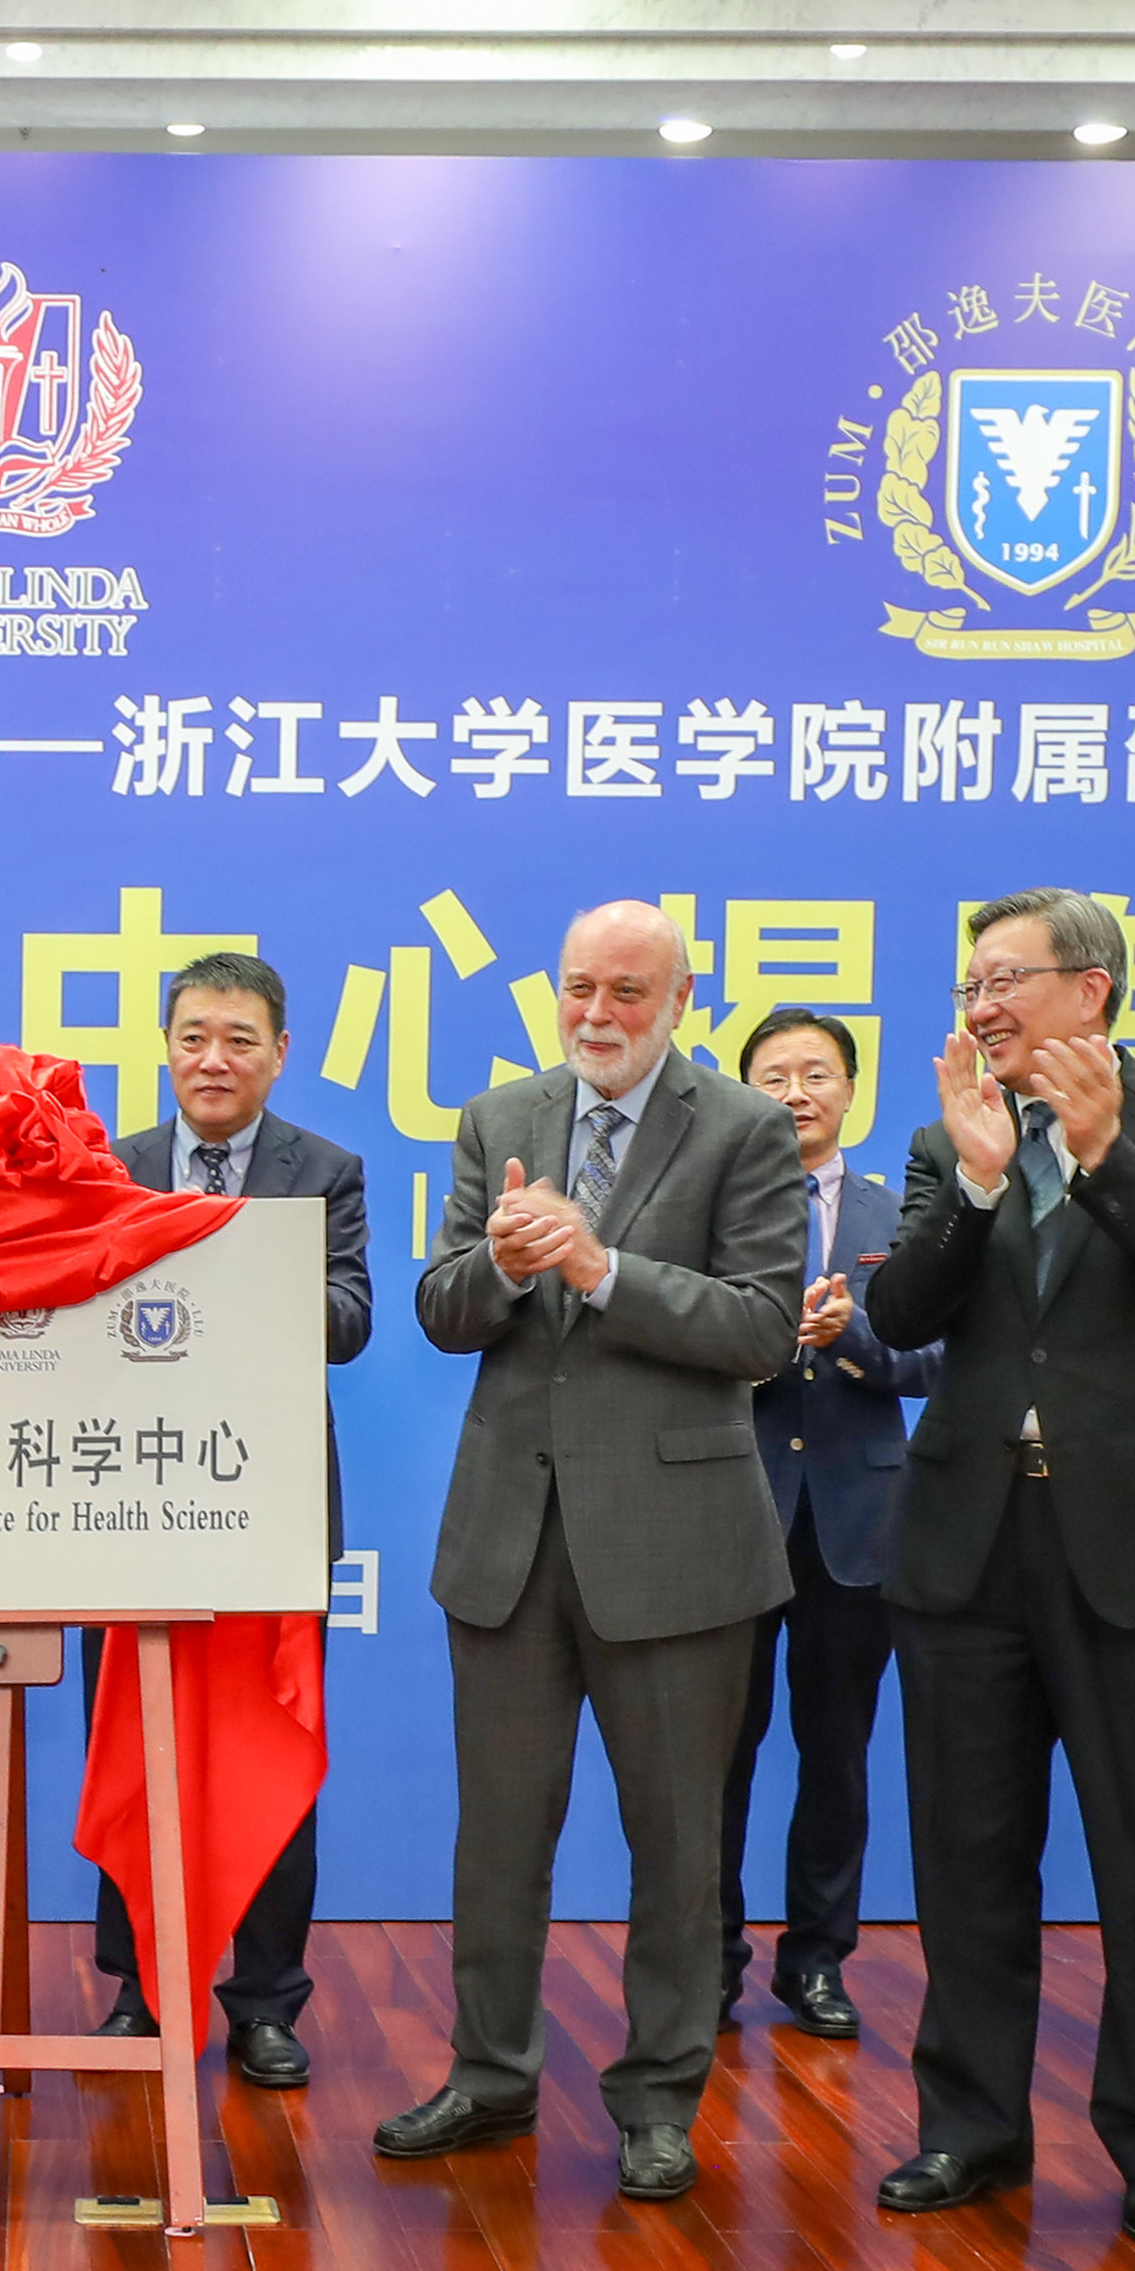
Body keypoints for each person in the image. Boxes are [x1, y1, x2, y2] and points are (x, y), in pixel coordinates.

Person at [856, 891, 1135, 2242]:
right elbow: (902, 1314)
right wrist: (978, 1185)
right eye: (971, 980)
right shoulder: (946, 1139)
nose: (981, 1005)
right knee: (967, 1859)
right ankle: (971, 2130)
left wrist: (1103, 1156)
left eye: (1006, 978)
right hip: (970, 1542)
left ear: (1088, 991)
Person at [388, 899, 805, 2203]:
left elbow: (762, 1329)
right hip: (510, 1536)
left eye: (629, 992)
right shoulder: (502, 1119)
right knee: (497, 1837)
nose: (598, 1017)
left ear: (682, 999)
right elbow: (441, 1309)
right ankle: (490, 2074)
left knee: (677, 1844)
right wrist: (508, 1267)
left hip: (678, 1544)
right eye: (579, 990)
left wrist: (603, 1265)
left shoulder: (742, 1125)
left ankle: (659, 2099)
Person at [98, 948, 371, 2087]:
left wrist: (225, 1267)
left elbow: (348, 1318)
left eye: (239, 1039)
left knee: (270, 1744)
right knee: (133, 1745)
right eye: (194, 1035)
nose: (214, 1058)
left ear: (278, 1054)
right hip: (124, 1493)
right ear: (167, 1045)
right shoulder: (115, 1164)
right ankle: (138, 1986)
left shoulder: (326, 1167)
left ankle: (265, 2000)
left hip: (267, 1497)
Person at [720, 1006, 933, 2047]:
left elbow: (940, 1360)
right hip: (733, 1511)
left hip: (856, 1523)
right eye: (772, 1074)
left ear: (852, 1090)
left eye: (815, 1072)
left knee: (836, 1754)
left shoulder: (903, 1213)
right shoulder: (713, 1212)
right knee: (718, 1753)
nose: (795, 1091)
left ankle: (816, 1961)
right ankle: (708, 1956)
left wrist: (857, 1341)